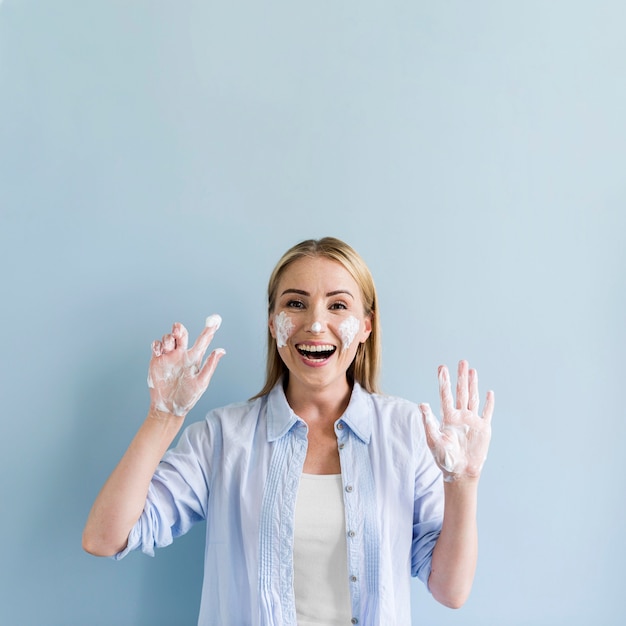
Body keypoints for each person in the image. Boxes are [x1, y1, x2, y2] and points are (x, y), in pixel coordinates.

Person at [82, 237, 494, 626]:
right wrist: (164, 415)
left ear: (366, 326)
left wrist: (464, 482)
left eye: (338, 306)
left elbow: (451, 590)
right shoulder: (224, 436)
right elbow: (105, 538)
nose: (315, 324)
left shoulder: (407, 433)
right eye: (295, 303)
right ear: (272, 322)